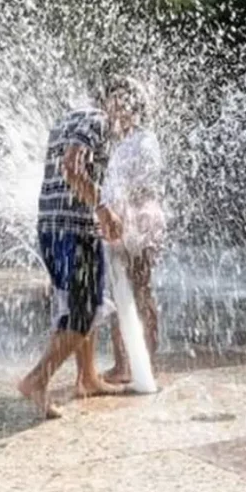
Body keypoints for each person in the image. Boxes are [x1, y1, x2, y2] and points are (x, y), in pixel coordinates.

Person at [19, 76, 140, 419]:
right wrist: (101, 208)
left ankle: (87, 377)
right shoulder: (99, 121)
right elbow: (72, 166)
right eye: (132, 110)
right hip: (73, 230)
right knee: (83, 310)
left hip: (54, 227)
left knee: (82, 304)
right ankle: (37, 380)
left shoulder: (71, 117)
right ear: (117, 102)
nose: (132, 122)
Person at [101, 130, 165, 384]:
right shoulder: (120, 141)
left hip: (138, 219)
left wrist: (119, 210)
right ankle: (128, 363)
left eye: (120, 100)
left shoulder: (145, 139)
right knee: (124, 290)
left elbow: (143, 184)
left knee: (138, 289)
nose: (115, 109)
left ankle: (139, 362)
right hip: (127, 217)